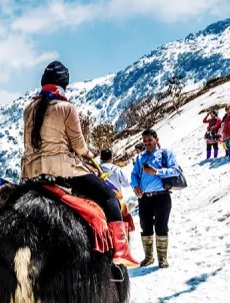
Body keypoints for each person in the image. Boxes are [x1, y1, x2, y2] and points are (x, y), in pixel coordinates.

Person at [21, 61, 138, 267]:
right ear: (63, 84)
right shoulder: (66, 108)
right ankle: (120, 250)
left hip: (32, 172)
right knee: (109, 196)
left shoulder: (29, 108)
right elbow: (79, 146)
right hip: (63, 171)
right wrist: (89, 154)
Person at [130, 129, 181, 268]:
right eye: (144, 141)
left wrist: (157, 171)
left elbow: (175, 170)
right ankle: (148, 257)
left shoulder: (165, 154)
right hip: (144, 197)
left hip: (162, 196)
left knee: (161, 226)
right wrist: (135, 186)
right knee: (145, 226)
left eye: (149, 140)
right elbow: (134, 174)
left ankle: (162, 258)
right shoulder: (140, 157)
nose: (147, 143)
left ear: (156, 139)